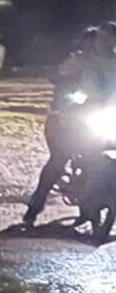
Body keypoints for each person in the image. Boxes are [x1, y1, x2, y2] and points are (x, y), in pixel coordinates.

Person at [24, 24, 116, 227]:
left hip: (110, 115)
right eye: (100, 39)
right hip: (78, 116)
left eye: (108, 39)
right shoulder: (80, 60)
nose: (103, 43)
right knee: (59, 159)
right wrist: (65, 99)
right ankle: (36, 204)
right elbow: (61, 79)